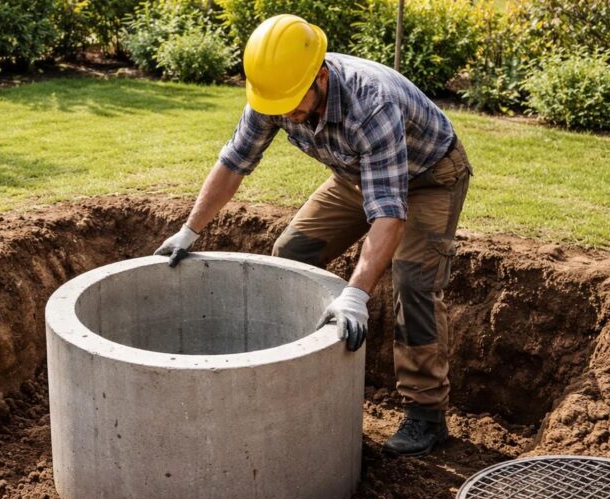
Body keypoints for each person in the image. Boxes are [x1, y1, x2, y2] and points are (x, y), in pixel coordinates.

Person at [153, 14, 472, 457]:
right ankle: (295, 368)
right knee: (291, 252)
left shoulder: (370, 106)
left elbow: (390, 214)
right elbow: (233, 163)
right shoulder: (276, 93)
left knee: (413, 281)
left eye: (293, 102)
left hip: (429, 178)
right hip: (354, 173)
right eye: (276, 104)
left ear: (321, 75)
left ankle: (427, 415)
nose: (285, 113)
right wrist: (190, 230)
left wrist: (357, 293)